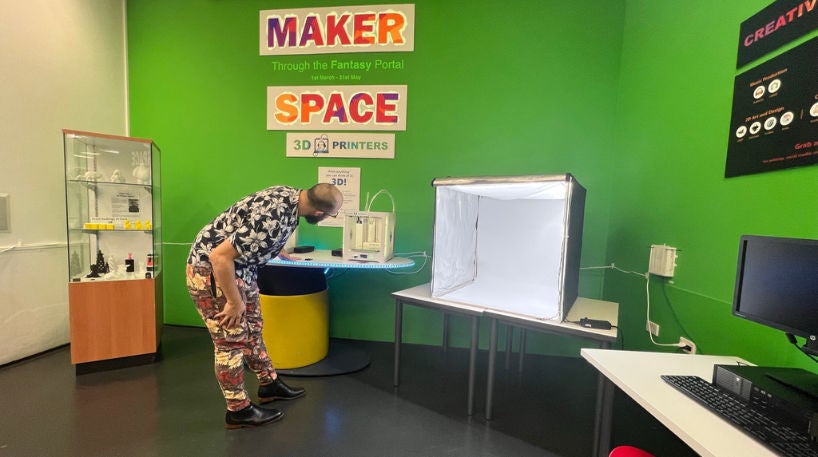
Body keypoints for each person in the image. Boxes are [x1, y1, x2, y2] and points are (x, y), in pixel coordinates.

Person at [185, 183, 344, 428]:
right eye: (331, 215)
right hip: (213, 271)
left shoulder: (290, 196)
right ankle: (238, 410)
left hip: (241, 269)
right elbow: (219, 257)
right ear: (319, 213)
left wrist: (276, 251)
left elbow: (254, 225)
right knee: (230, 340)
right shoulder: (273, 219)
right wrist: (234, 301)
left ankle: (269, 384)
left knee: (254, 327)